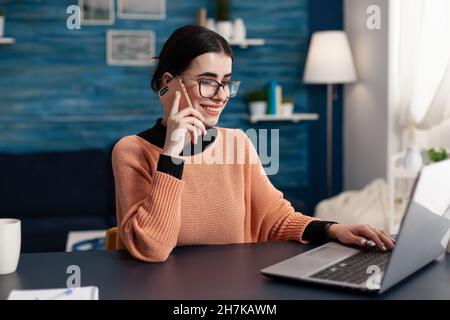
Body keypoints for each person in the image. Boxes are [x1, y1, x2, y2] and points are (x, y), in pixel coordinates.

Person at [111, 25, 395, 262]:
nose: (221, 95)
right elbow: (152, 248)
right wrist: (173, 153)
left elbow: (275, 219)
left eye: (227, 83)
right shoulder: (132, 151)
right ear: (169, 83)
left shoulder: (238, 143)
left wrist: (333, 229)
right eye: (207, 82)